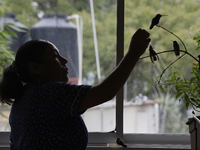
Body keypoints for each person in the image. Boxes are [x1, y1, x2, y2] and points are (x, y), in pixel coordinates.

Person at [0, 28, 150, 150]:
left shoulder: (25, 99)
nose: (64, 60)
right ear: (35, 68)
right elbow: (105, 92)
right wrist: (133, 53)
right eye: (55, 56)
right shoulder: (47, 93)